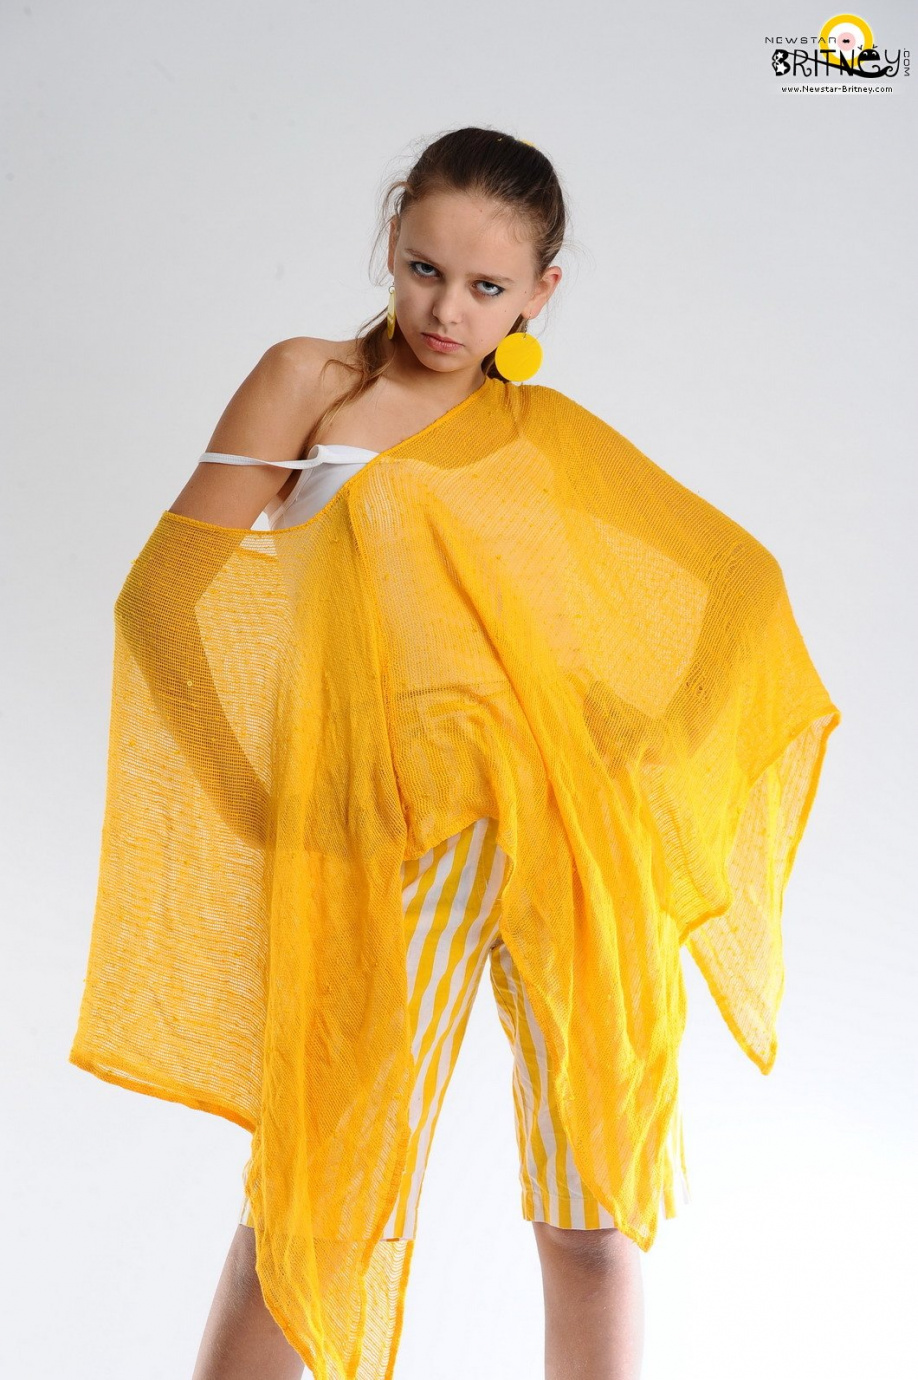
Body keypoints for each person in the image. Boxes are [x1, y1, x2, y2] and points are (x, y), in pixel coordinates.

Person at [70, 126, 840, 1380]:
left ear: (540, 294)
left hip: (572, 840)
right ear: (391, 240)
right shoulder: (311, 384)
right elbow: (159, 606)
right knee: (318, 1202)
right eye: (426, 269)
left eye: (488, 287)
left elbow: (741, 588)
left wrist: (646, 747)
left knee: (591, 1220)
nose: (447, 311)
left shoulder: (540, 432)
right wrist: (255, 799)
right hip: (388, 838)